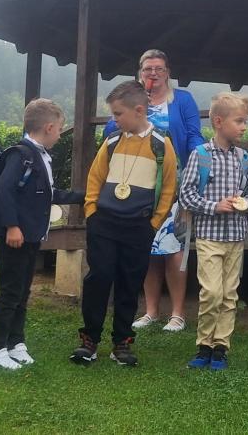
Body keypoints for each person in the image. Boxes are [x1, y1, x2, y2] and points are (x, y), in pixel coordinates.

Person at [71, 80, 178, 367]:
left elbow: (169, 188)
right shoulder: (111, 142)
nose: (114, 119)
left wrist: (154, 223)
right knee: (99, 277)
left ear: (139, 110)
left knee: (129, 283)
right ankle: (89, 339)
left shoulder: (161, 146)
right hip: (104, 223)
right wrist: (92, 212)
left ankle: (122, 342)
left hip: (139, 227)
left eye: (118, 114)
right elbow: (95, 179)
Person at [105, 50, 204, 334]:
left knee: (175, 249)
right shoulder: (133, 100)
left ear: (168, 72)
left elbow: (194, 134)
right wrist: (138, 105)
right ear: (140, 72)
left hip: (175, 183)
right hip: (139, 184)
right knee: (148, 246)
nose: (153, 73)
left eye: (159, 69)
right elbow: (111, 129)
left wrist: (200, 161)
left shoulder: (182, 99)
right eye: (148, 68)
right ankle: (150, 311)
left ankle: (177, 314)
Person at [0, 99, 84, 370]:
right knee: (10, 294)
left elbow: (49, 194)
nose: (60, 135)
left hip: (31, 238)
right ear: (49, 127)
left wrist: (85, 197)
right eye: (59, 129)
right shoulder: (21, 154)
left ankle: (15, 342)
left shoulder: (40, 156)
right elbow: (4, 190)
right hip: (15, 238)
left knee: (22, 292)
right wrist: (12, 226)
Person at [177, 92, 248, 371]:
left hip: (236, 237)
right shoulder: (200, 155)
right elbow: (186, 195)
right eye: (239, 121)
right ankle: (204, 344)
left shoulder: (243, 157)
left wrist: (244, 203)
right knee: (211, 292)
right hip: (209, 236)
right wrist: (215, 206)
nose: (244, 127)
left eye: (245, 121)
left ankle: (220, 348)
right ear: (218, 121)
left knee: (229, 294)